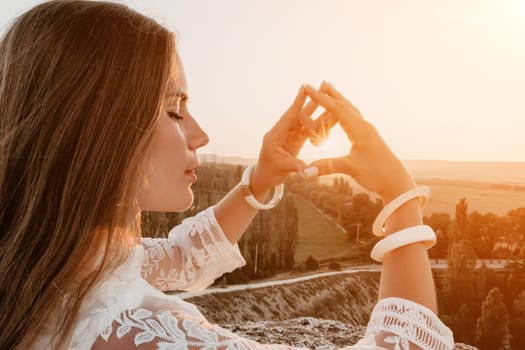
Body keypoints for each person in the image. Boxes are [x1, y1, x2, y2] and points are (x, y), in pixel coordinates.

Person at [0, 1, 454, 349]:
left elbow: (180, 257)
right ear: (97, 128)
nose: (200, 134)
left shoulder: (44, 263)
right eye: (173, 110)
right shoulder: (145, 332)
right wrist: (401, 195)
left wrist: (260, 182)